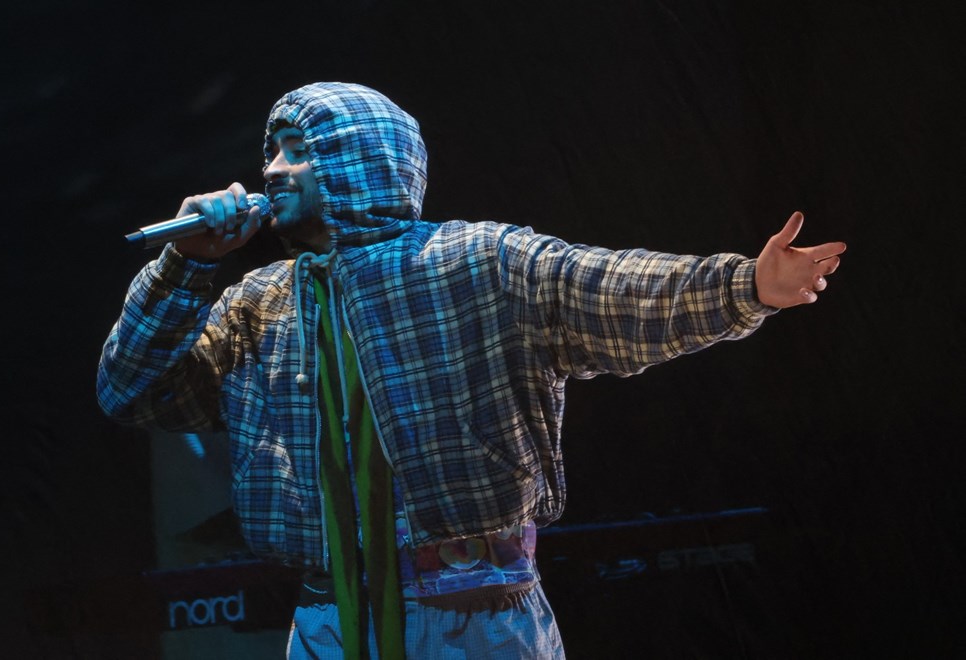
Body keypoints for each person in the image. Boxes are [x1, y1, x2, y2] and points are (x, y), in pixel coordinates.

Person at [97, 82, 845, 659]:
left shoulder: (476, 263)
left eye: (296, 149)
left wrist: (746, 285)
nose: (271, 169)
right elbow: (132, 390)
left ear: (359, 161)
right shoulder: (260, 302)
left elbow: (614, 289)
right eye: (272, 151)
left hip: (474, 618)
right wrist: (184, 266)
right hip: (328, 620)